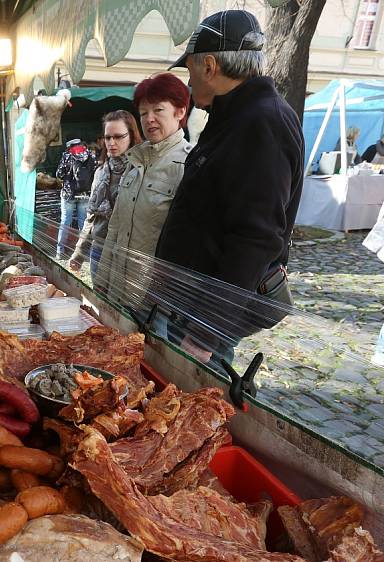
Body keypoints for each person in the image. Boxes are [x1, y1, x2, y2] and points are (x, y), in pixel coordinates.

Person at [156, 10, 304, 363]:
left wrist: (206, 333)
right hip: (187, 303)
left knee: (194, 408)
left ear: (209, 66)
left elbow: (256, 238)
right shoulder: (234, 116)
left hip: (203, 317)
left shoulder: (261, 122)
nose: (188, 81)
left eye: (189, 69)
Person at [99, 74, 192, 301]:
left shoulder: (189, 164)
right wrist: (102, 281)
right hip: (118, 290)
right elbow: (116, 227)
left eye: (158, 110)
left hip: (154, 299)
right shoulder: (136, 162)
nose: (149, 119)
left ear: (180, 112)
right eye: (143, 113)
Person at [68, 111, 141, 279]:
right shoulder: (101, 172)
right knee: (100, 302)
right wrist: (79, 253)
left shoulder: (141, 172)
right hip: (99, 250)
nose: (112, 143)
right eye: (108, 137)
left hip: (127, 255)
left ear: (131, 135)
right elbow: (91, 218)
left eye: (118, 136)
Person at [55, 138, 96, 258]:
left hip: (69, 194)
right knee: (84, 224)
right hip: (85, 195)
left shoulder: (67, 156)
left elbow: (59, 174)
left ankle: (60, 252)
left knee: (65, 222)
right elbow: (95, 173)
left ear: (69, 146)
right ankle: (83, 253)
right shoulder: (90, 154)